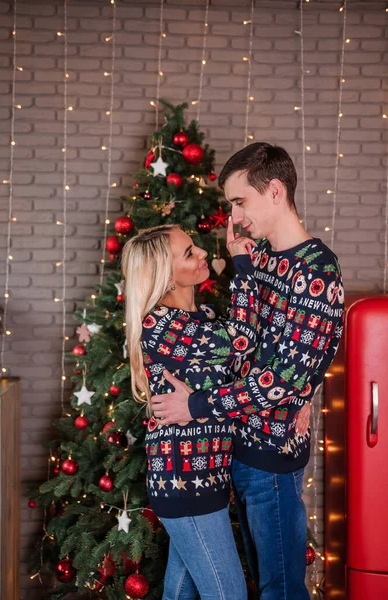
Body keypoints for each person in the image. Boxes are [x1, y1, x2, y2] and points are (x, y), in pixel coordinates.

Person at [151, 142, 345, 600]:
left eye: (240, 202)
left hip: (270, 459)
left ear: (274, 191)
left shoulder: (317, 270)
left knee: (279, 585)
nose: (234, 217)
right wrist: (243, 265)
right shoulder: (259, 257)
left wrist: (194, 405)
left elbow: (284, 380)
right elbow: (242, 344)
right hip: (229, 448)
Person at [122, 221, 260, 600]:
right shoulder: (161, 326)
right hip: (184, 480)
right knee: (229, 594)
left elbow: (239, 363)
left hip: (210, 475)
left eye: (194, 246)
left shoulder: (203, 317)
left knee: (180, 593)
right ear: (166, 277)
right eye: (189, 253)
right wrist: (243, 265)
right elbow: (242, 341)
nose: (202, 253)